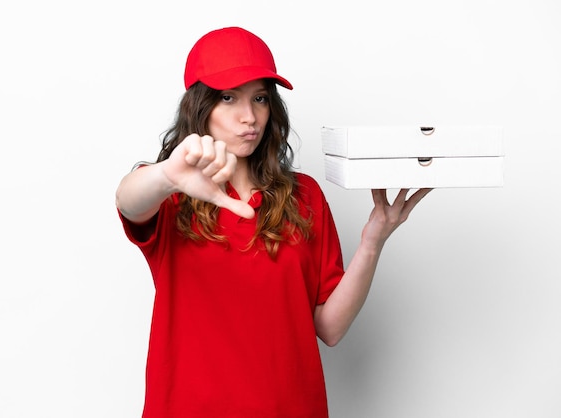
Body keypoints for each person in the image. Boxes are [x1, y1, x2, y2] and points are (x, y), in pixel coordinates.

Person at [115, 26, 431, 418]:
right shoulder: (169, 194)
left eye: (260, 99)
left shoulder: (305, 197)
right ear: (200, 107)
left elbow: (329, 328)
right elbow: (128, 201)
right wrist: (166, 175)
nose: (249, 117)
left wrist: (373, 240)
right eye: (228, 97)